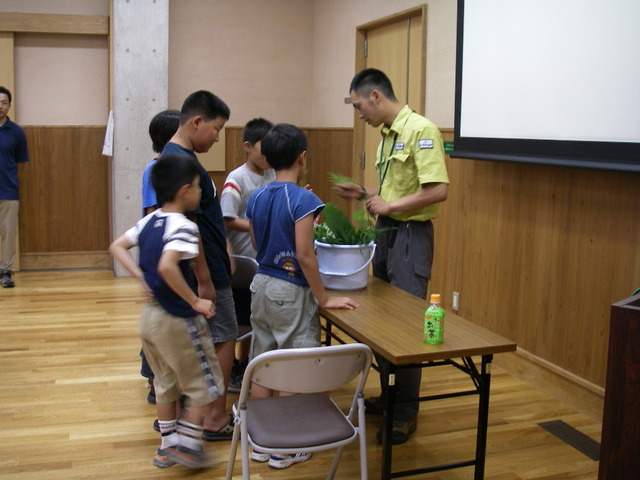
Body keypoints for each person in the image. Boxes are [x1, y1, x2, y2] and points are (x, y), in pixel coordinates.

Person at [334, 68, 449, 445]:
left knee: (406, 323)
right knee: (381, 318)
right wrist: (364, 192)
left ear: (375, 96)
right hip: (387, 232)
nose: (359, 114)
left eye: (358, 105)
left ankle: (405, 413)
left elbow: (437, 191)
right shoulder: (386, 136)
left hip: (411, 236)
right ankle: (388, 396)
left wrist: (391, 204)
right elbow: (395, 192)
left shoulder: (421, 130)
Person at [246, 123, 360, 470]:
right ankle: (285, 448)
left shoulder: (257, 196)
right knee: (293, 363)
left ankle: (259, 443)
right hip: (290, 291)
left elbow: (255, 243)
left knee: (264, 361)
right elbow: (305, 255)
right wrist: (324, 298)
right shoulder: (304, 199)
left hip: (260, 284)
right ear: (303, 157)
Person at [109, 154, 224, 469]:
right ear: (185, 190)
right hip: (177, 320)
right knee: (204, 383)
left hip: (150, 318)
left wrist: (139, 277)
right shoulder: (184, 226)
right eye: (199, 187)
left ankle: (167, 446)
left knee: (166, 382)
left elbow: (117, 246)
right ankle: (188, 445)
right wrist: (194, 301)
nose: (201, 193)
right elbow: (167, 265)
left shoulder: (150, 220)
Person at [161, 90, 237, 442]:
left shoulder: (177, 157)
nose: (217, 137)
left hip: (206, 267)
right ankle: (215, 418)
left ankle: (191, 416)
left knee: (200, 340)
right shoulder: (183, 163)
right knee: (223, 337)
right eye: (217, 129)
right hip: (203, 273)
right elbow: (187, 228)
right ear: (196, 122)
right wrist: (205, 277)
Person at [220, 117, 274, 391]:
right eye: (265, 148)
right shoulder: (237, 178)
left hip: (264, 261)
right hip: (242, 265)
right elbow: (226, 219)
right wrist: (259, 225)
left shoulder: (272, 175)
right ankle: (234, 369)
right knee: (241, 322)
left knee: (257, 319)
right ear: (247, 147)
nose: (270, 155)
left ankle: (246, 364)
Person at [140, 109, 181, 404]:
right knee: (158, 320)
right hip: (159, 256)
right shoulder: (154, 170)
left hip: (173, 254)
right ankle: (155, 379)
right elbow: (152, 214)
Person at [0, 86, 29, 288]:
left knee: (8, 233)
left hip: (8, 190)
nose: (0, 106)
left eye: (4, 102)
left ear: (9, 106)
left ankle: (5, 271)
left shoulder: (16, 132)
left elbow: (20, 163)